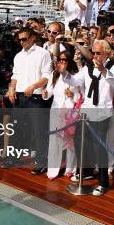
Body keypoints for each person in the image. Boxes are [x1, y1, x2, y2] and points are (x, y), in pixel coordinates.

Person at [58, 40, 114, 196]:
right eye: (93, 52)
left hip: (102, 113)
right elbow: (75, 81)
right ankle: (85, 171)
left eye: (98, 53)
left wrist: (104, 70)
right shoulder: (88, 67)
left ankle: (103, 182)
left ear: (107, 52)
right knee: (81, 143)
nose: (95, 56)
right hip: (86, 112)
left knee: (100, 148)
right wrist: (64, 73)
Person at [7, 27, 52, 172]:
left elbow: (47, 76)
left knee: (38, 131)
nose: (21, 42)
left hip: (36, 98)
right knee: (16, 129)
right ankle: (13, 158)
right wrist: (11, 89)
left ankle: (41, 162)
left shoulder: (43, 53)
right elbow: (15, 76)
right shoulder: (18, 56)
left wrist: (33, 86)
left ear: (33, 38)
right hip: (19, 97)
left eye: (24, 39)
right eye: (19, 39)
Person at [42, 51, 81, 180]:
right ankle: (53, 169)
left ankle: (70, 169)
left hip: (70, 113)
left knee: (70, 141)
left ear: (69, 62)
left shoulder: (75, 76)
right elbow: (49, 93)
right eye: (60, 60)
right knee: (54, 140)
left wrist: (72, 95)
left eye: (64, 60)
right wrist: (45, 93)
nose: (62, 62)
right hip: (56, 110)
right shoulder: (54, 74)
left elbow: (79, 97)